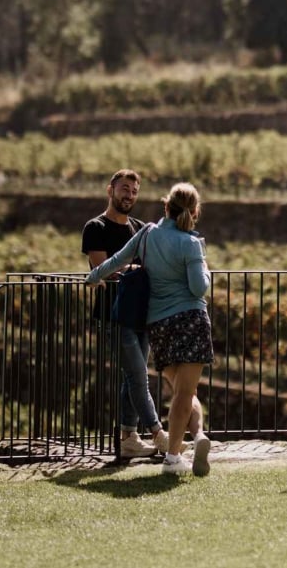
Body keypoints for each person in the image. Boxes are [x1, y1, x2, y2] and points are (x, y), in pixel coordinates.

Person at [87, 182, 214, 476]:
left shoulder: (146, 234)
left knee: (183, 390)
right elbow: (199, 287)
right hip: (192, 320)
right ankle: (172, 458)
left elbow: (118, 260)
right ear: (194, 212)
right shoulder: (192, 244)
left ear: (165, 207)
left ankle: (198, 436)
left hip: (159, 323)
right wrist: (205, 268)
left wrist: (94, 276)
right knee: (185, 392)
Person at [82, 169, 166, 460]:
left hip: (139, 313)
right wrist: (135, 271)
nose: (129, 195)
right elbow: (102, 270)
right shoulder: (95, 227)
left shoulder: (140, 228)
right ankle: (159, 433)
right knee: (138, 375)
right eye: (124, 189)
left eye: (134, 191)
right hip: (112, 314)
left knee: (132, 377)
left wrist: (136, 271)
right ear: (110, 190)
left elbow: (148, 267)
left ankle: (129, 437)